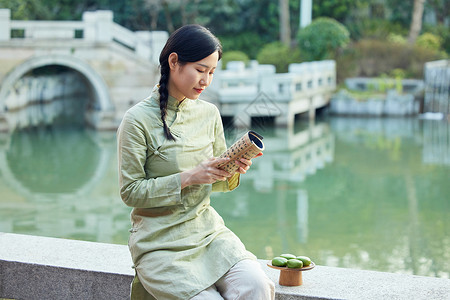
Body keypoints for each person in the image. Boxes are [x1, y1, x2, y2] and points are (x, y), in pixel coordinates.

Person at [117, 24, 275, 300]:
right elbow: (131, 193)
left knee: (257, 286)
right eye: (201, 70)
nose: (206, 81)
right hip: (159, 242)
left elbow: (217, 184)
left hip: (207, 234)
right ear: (174, 61)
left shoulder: (209, 113)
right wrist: (189, 176)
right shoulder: (136, 120)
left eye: (212, 72)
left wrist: (232, 171)